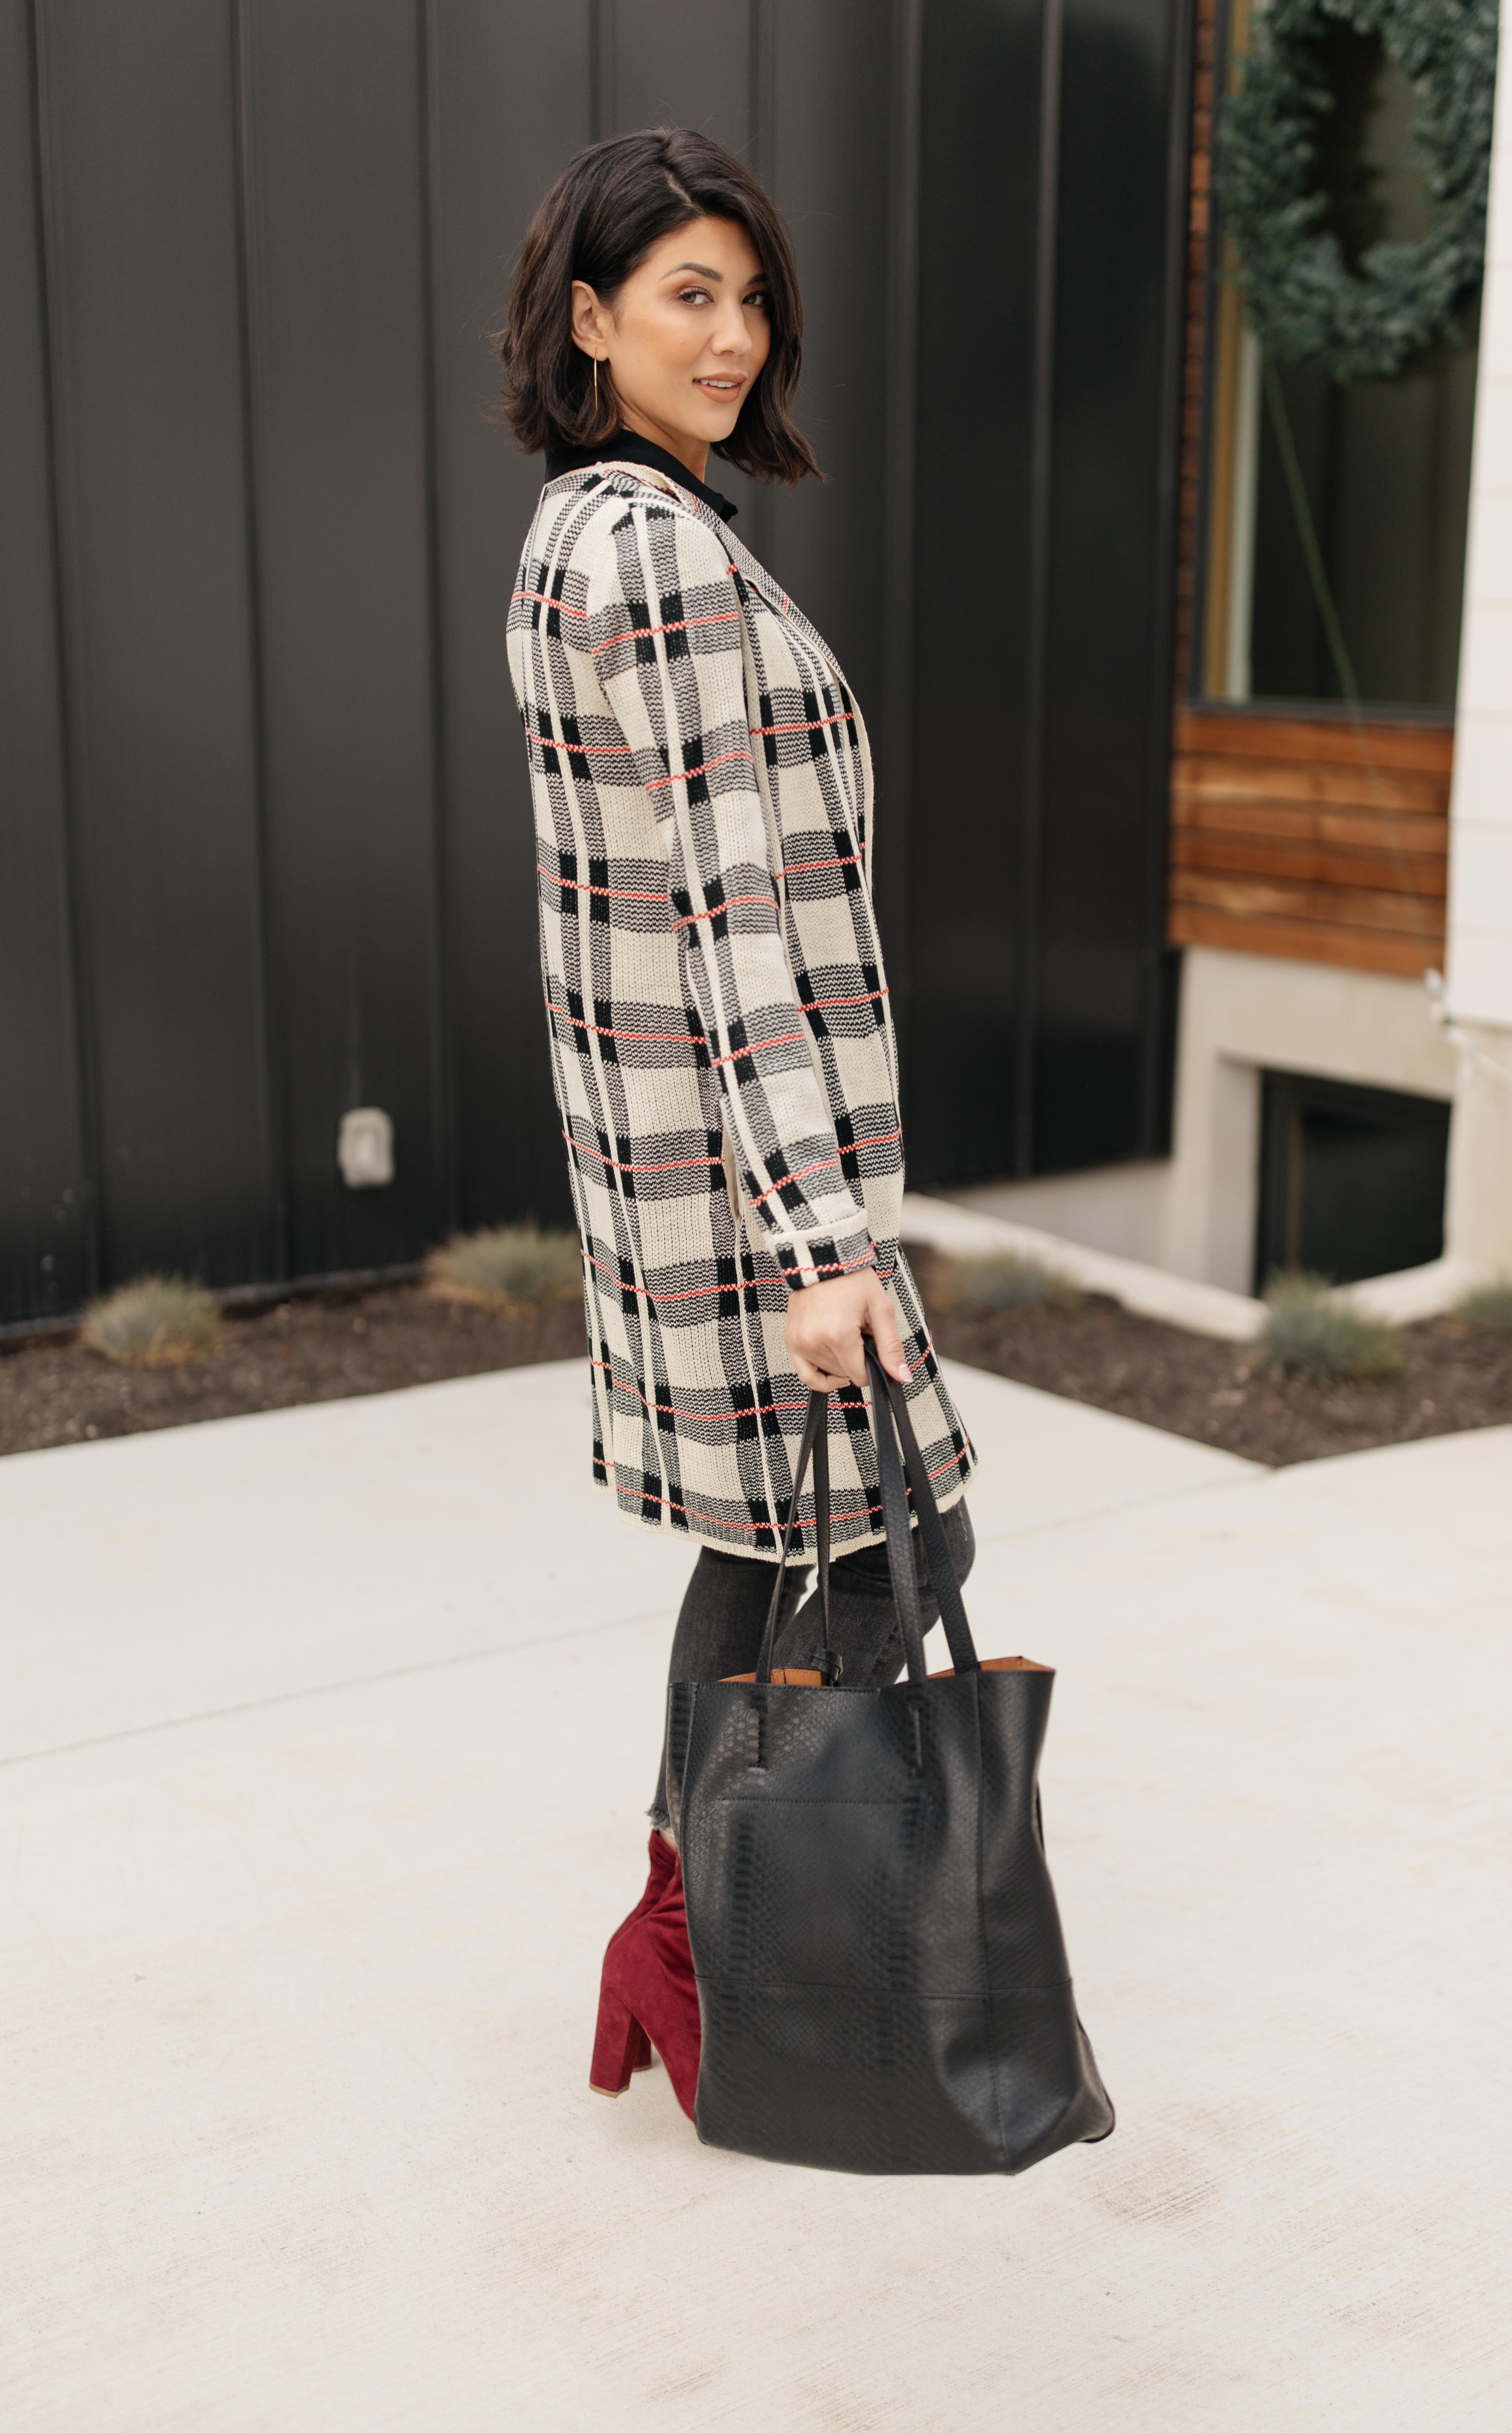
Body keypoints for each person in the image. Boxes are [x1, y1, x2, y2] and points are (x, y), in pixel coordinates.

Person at [500, 127, 977, 2113]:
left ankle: (682, 1926)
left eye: (748, 293)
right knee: (894, 1542)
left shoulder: (576, 532)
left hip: (672, 1162)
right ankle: (699, 1929)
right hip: (744, 1174)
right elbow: (726, 909)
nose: (730, 331)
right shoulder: (662, 553)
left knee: (798, 1535)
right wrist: (816, 1239)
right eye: (685, 294)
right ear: (590, 319)